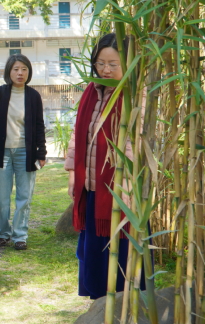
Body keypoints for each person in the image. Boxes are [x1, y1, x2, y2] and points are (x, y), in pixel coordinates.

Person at [65, 33, 143, 299]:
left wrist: (127, 186)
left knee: (119, 253)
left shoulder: (134, 95)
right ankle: (98, 304)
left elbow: (134, 145)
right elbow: (78, 135)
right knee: (93, 252)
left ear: (128, 63)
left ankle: (122, 304)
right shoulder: (91, 90)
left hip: (119, 192)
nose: (105, 70)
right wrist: (73, 175)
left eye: (113, 64)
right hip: (92, 189)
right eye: (100, 63)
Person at [0, 54, 46, 251]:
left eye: (24, 69)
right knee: (1, 197)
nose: (20, 73)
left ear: (29, 72)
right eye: (16, 69)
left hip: (26, 152)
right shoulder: (1, 93)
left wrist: (41, 152)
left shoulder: (34, 96)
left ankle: (20, 236)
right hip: (2, 152)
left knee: (24, 196)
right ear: (9, 72)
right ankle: (3, 233)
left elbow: (39, 124)